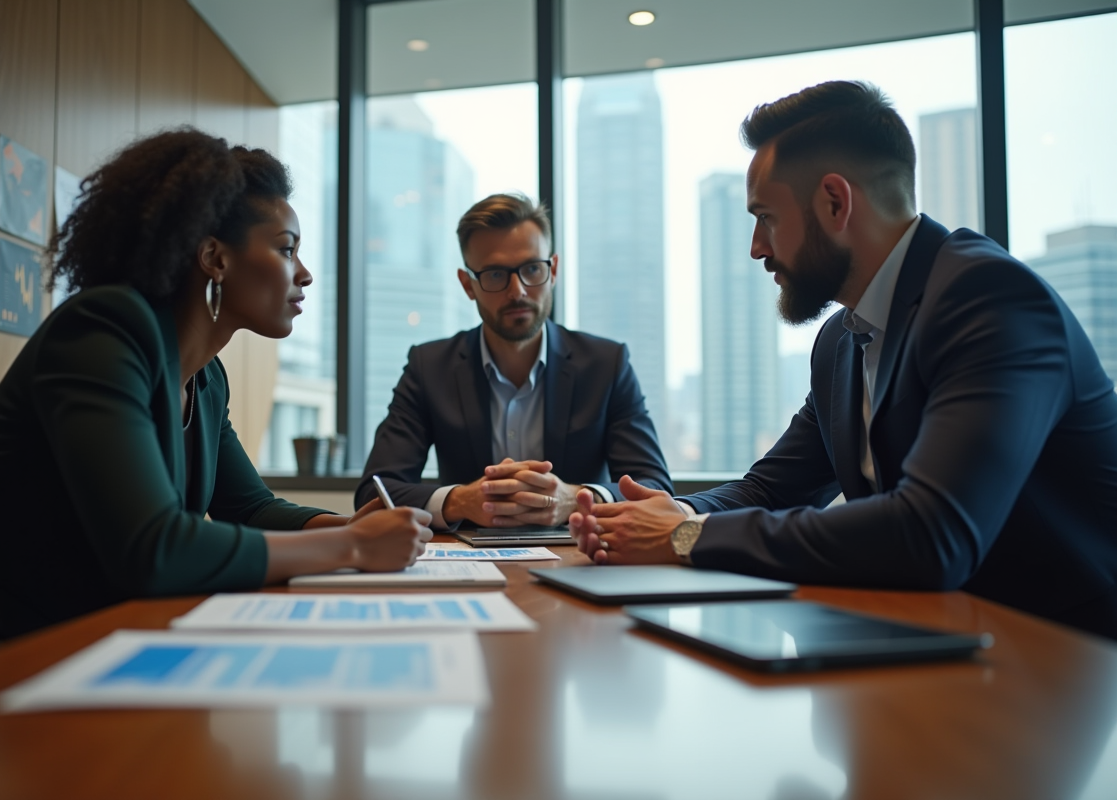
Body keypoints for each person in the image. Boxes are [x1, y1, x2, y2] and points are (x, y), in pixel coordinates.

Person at [570, 81, 1117, 638]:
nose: (757, 247)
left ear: (835, 202)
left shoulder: (989, 299)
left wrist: (686, 537)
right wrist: (667, 516)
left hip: (1062, 657)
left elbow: (932, 535)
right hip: (923, 639)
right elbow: (769, 490)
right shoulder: (842, 339)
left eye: (766, 217)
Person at [0, 129, 431, 658]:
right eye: (286, 249)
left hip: (77, 631)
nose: (305, 274)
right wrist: (351, 545)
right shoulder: (102, 331)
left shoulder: (207, 378)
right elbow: (152, 547)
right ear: (214, 257)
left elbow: (249, 507)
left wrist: (352, 525)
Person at [356, 192, 672, 530]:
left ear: (553, 271)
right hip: (467, 556)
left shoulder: (606, 365)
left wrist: (576, 498)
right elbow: (375, 492)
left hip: (579, 552)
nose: (517, 290)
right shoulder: (429, 367)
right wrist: (460, 501)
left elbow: (655, 489)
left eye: (532, 269)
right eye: (495, 274)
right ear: (468, 285)